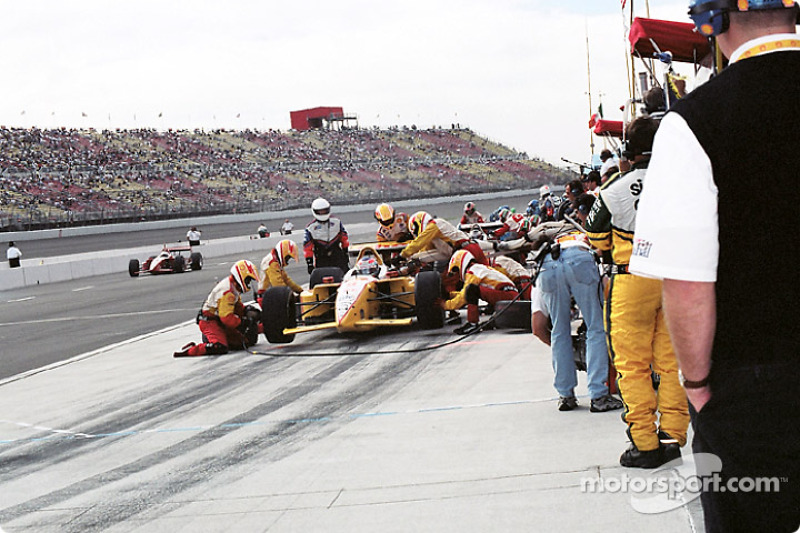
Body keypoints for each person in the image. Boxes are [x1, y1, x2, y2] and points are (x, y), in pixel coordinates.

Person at [631, 1, 800, 530]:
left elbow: (687, 283)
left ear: (713, 21)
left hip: (753, 382)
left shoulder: (693, 123)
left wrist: (698, 382)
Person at [586, 116, 689, 469]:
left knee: (632, 366)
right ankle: (673, 435)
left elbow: (596, 236)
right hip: (674, 280)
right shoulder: (682, 184)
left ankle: (645, 444)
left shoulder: (614, 188)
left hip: (631, 280)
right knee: (672, 361)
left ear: (628, 151)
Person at [501, 220, 623, 413]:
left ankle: (566, 395)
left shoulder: (546, 251)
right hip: (580, 259)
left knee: (559, 330)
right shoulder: (583, 237)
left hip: (548, 266)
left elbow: (538, 327)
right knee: (595, 327)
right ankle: (599, 395)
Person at [173, 260, 261, 357]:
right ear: (241, 276)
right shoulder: (228, 292)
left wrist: (249, 312)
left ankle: (221, 337)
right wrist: (242, 323)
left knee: (245, 341)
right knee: (219, 347)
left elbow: (237, 307)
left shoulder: (233, 286)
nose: (248, 283)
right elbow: (226, 317)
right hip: (210, 322)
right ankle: (190, 350)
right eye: (247, 280)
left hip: (220, 320)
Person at [441, 250, 519, 335]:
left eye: (455, 270)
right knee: (471, 290)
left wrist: (445, 305)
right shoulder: (477, 269)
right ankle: (492, 320)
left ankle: (472, 324)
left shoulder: (472, 272)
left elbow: (464, 297)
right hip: (509, 295)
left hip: (508, 297)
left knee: (472, 290)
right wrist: (450, 295)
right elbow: (464, 294)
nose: (455, 274)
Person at [399, 211, 489, 266]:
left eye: (416, 231)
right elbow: (425, 250)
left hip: (466, 250)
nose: (417, 234)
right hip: (461, 251)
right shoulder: (435, 235)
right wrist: (411, 260)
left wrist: (402, 255)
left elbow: (419, 243)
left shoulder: (434, 225)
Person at [303, 198, 350, 274]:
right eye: (320, 211)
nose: (322, 213)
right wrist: (309, 263)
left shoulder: (336, 222)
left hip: (337, 253)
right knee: (322, 278)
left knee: (345, 276)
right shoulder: (310, 227)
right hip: (321, 256)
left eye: (324, 210)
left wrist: (346, 252)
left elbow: (344, 237)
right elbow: (307, 247)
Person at [256, 239, 303, 306]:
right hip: (267, 298)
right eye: (288, 257)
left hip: (273, 295)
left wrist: (301, 291)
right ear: (283, 253)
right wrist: (291, 294)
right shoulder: (272, 262)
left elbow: (287, 280)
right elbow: (277, 284)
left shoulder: (276, 261)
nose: (288, 260)